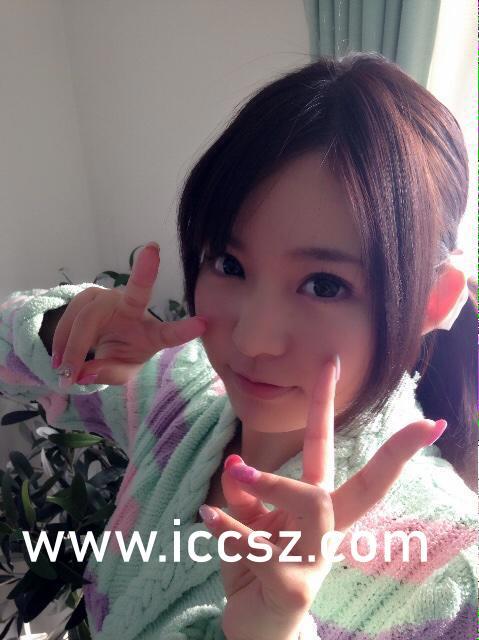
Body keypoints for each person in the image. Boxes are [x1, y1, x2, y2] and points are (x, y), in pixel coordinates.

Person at [0, 52, 476, 639]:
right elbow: (9, 352)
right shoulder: (177, 393)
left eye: (325, 285)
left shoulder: (448, 569)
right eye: (228, 263)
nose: (251, 339)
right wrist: (69, 327)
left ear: (433, 299)